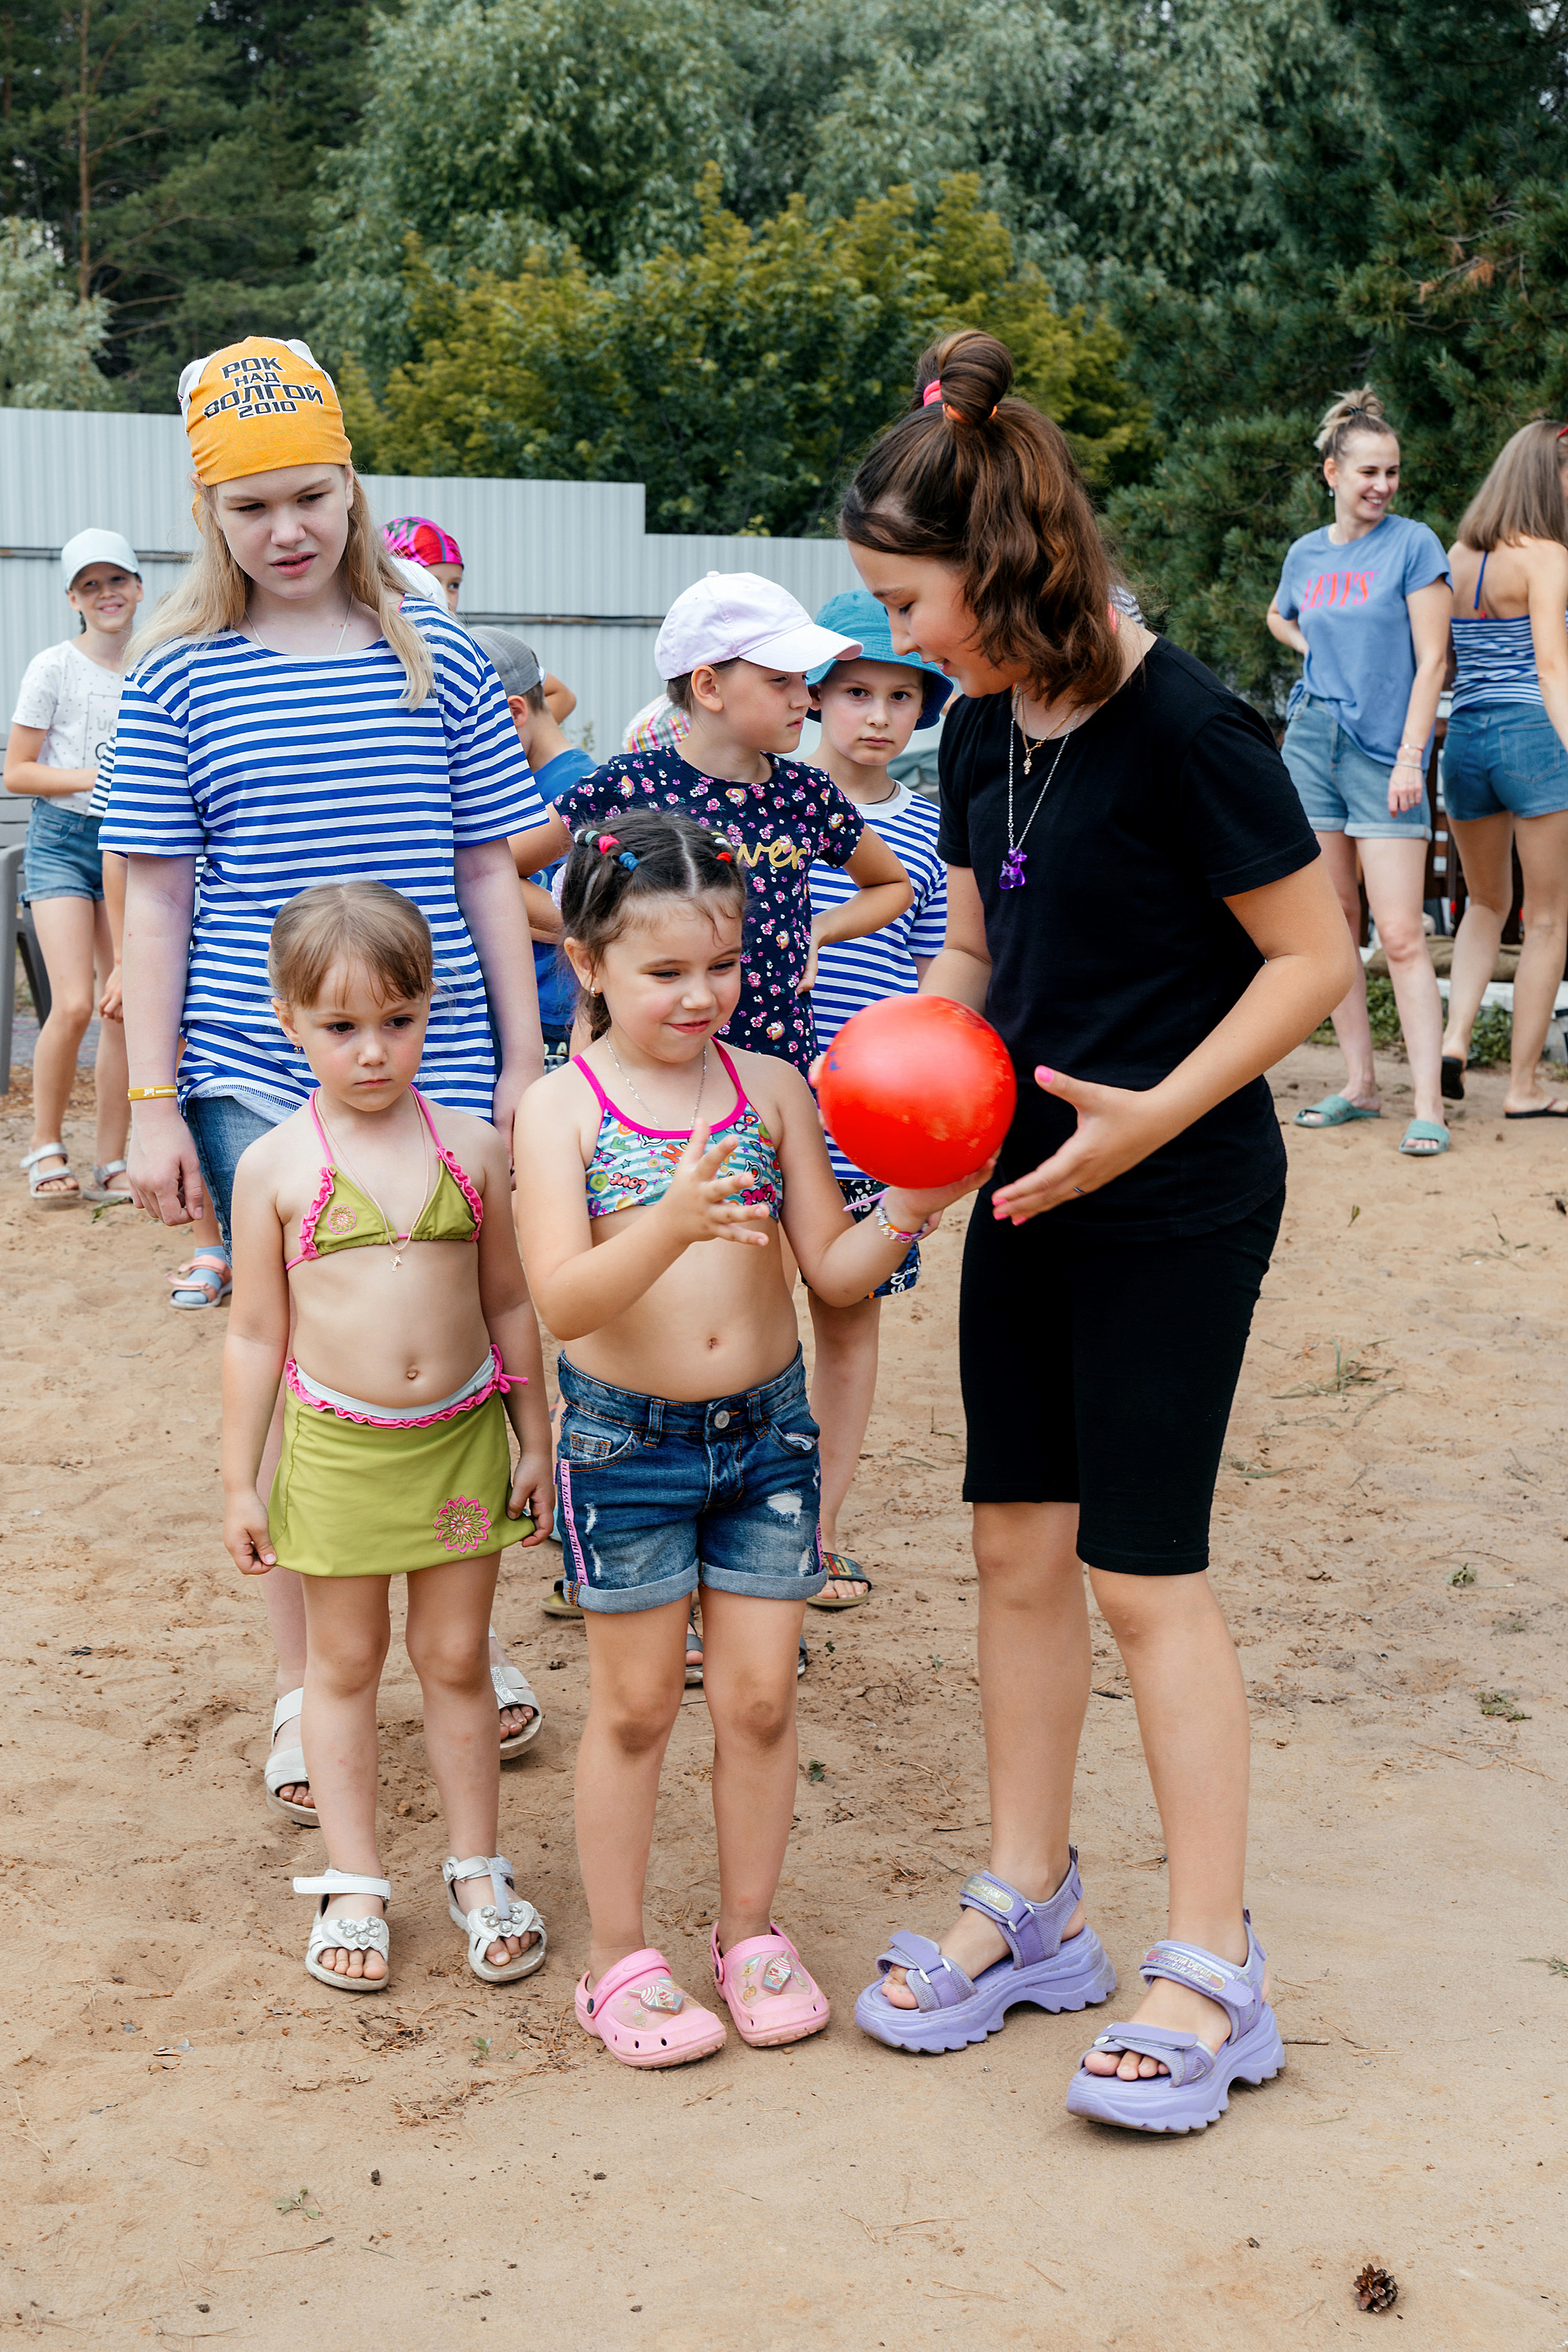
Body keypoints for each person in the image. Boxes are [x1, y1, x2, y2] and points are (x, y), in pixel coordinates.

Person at [839, 329, 1355, 2131]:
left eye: (909, 600)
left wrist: (1149, 1113)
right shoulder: (980, 726)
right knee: (1010, 1543)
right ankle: (1031, 1900)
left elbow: (1313, 958)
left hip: (1177, 1191)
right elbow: (973, 953)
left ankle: (1212, 1961)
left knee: (1141, 1571)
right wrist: (910, 1115)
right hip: (1025, 1181)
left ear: (1002, 564)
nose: (900, 639)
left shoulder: (1194, 727)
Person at [98, 334, 548, 1822]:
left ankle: (462, 1631)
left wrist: (524, 1052)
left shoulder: (436, 655)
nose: (284, 530)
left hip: (444, 1062)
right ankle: (307, 1684)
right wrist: (151, 1101)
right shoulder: (175, 676)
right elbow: (154, 901)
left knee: (457, 1330)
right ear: (207, 514)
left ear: (351, 487)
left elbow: (486, 868)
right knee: (306, 1360)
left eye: (309, 496)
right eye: (250, 507)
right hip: (253, 1072)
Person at [512, 809, 988, 2064]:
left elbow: (830, 1271)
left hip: (767, 1437)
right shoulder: (560, 1110)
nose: (699, 995)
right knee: (632, 1712)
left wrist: (914, 1202)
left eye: (720, 965)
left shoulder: (771, 1088)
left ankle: (749, 1933)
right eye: (665, 970)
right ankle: (619, 1959)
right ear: (588, 963)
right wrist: (670, 1222)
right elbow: (563, 1303)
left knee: (763, 1700)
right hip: (624, 1448)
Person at [223, 882, 554, 1991]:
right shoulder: (274, 1165)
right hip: (338, 1456)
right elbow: (254, 1334)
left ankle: (476, 1867)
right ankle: (355, 1879)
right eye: (341, 1026)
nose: (373, 1051)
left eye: (398, 1021)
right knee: (344, 1665)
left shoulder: (474, 1146)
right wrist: (239, 1481)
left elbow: (510, 1301)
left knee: (457, 1658)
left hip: (459, 1445)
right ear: (289, 1019)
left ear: (429, 1007)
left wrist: (534, 1433)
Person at [508, 571, 914, 1079]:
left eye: (804, 680)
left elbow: (892, 885)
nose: (805, 699)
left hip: (773, 1068)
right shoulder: (626, 784)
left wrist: (819, 930)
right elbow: (502, 873)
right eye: (781, 680)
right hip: (641, 1068)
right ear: (708, 687)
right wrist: (600, 931)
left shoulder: (809, 794)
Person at [801, 588, 953, 1606]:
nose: (879, 715)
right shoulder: (771, 804)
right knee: (741, 1320)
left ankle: (816, 1531)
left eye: (903, 696)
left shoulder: (936, 831)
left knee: (848, 1319)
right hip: (761, 1106)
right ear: (814, 693)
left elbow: (943, 979)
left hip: (871, 1127)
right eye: (857, 691)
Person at [1267, 388, 1453, 1156]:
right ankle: (1360, 1084)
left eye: (1392, 472)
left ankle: (1429, 1107)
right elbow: (1278, 613)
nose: (1382, 485)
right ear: (1332, 474)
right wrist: (1310, 646)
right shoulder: (1306, 554)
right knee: (1334, 924)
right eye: (1368, 472)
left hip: (1385, 753)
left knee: (1401, 934)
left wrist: (1412, 756)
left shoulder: (1414, 546)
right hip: (1313, 743)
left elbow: (1432, 660)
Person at [4, 528, 143, 1207]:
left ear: (138, 587)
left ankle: (112, 1160)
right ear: (73, 599)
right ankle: (45, 1145)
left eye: (116, 580)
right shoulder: (53, 667)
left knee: (123, 1007)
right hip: (62, 841)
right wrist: (99, 775)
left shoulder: (157, 664)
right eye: (90, 585)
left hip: (129, 846)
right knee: (77, 1003)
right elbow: (17, 772)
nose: (105, 594)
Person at [1439, 420, 1568, 1115]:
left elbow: (1444, 661)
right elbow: (1550, 668)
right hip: (1532, 737)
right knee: (1545, 918)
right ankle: (1522, 1086)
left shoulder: (1457, 556)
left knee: (1484, 904)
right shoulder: (1546, 556)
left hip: (1464, 739)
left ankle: (1454, 1039)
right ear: (1549, 477)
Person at [100, 843, 232, 1303]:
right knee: (190, 1096)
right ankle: (211, 1247)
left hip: (254, 942)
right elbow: (119, 858)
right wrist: (123, 961)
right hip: (175, 953)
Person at [472, 626, 593, 1072]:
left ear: (514, 713)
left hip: (559, 1023)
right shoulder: (524, 786)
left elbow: (590, 917)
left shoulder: (578, 792)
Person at [380, 518, 578, 722]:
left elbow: (562, 697)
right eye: (432, 583)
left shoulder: (472, 651)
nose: (446, 598)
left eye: (454, 585)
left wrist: (498, 740)